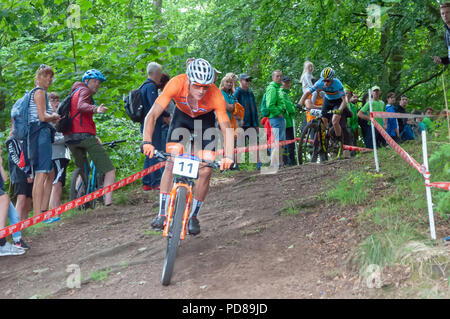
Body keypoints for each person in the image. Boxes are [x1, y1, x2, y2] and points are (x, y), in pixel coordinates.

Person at [142, 58, 234, 236]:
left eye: (205, 87)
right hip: (181, 119)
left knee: (206, 169)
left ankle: (194, 216)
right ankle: (162, 213)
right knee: (170, 162)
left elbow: (226, 127)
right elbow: (152, 115)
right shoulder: (176, 83)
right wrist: (147, 142)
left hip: (204, 123)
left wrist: (229, 156)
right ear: (188, 80)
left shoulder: (215, 94)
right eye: (197, 85)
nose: (201, 91)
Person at [63, 69, 116, 206]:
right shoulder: (84, 91)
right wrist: (96, 108)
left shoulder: (74, 93)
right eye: (94, 81)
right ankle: (108, 203)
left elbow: (79, 118)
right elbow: (81, 106)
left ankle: (78, 200)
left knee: (82, 170)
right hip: (84, 137)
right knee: (109, 169)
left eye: (99, 82)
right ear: (86, 81)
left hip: (70, 138)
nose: (97, 84)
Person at [27, 65, 61, 217]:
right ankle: (37, 216)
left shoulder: (39, 93)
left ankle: (39, 214)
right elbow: (41, 117)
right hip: (40, 133)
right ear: (38, 78)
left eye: (51, 76)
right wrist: (53, 116)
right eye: (46, 76)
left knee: (45, 173)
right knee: (41, 174)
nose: (49, 79)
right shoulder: (40, 92)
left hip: (39, 134)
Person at [299, 67, 348, 144]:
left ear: (332, 79)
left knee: (335, 121)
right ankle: (327, 135)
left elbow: (345, 100)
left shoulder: (337, 84)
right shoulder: (319, 83)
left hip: (338, 101)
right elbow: (307, 92)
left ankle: (339, 140)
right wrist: (300, 103)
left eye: (328, 81)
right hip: (328, 101)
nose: (325, 83)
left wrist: (340, 110)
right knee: (324, 120)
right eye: (324, 80)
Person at [140, 62, 165, 191]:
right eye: (160, 73)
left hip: (145, 125)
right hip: (152, 125)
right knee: (154, 152)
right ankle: (155, 182)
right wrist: (166, 115)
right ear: (155, 73)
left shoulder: (143, 86)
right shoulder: (151, 87)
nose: (161, 76)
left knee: (149, 153)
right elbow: (154, 106)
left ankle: (147, 183)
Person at [0, 144, 29, 250]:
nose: (0, 151)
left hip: (3, 195)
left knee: (14, 216)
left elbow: (5, 179)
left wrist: (0, 166)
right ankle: (2, 242)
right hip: (1, 197)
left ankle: (17, 240)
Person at [48, 92, 71, 213]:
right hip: (56, 155)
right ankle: (55, 213)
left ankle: (53, 212)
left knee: (58, 182)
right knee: (57, 182)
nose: (57, 103)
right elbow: (51, 139)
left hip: (62, 154)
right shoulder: (48, 118)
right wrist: (68, 137)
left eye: (58, 101)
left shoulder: (60, 116)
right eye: (53, 101)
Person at [233, 73, 261, 169]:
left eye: (249, 80)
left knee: (255, 143)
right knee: (240, 144)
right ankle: (236, 165)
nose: (248, 82)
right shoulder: (237, 93)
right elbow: (234, 108)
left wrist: (256, 124)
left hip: (251, 123)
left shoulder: (250, 93)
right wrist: (239, 120)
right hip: (241, 124)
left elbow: (254, 109)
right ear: (240, 81)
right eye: (246, 80)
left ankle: (259, 163)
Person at [6, 134, 33, 224]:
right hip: (18, 172)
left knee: (28, 200)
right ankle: (16, 225)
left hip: (30, 171)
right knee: (21, 197)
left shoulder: (28, 136)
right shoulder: (11, 141)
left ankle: (24, 224)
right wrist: (26, 173)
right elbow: (15, 158)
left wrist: (31, 172)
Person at [265, 70, 286, 170]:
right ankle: (273, 164)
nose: (279, 78)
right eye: (277, 76)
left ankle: (279, 163)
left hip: (279, 118)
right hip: (275, 118)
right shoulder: (272, 88)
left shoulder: (278, 88)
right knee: (276, 141)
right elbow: (270, 105)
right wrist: (279, 113)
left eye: (281, 76)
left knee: (280, 141)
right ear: (273, 77)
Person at [279, 76, 297, 166]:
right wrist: (293, 108)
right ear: (282, 83)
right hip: (285, 121)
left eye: (289, 82)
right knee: (287, 143)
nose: (288, 84)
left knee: (290, 142)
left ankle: (290, 161)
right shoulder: (282, 93)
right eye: (286, 82)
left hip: (289, 121)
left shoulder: (286, 93)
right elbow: (288, 107)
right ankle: (288, 162)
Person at [158, 73, 175, 154]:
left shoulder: (161, 94)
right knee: (167, 154)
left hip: (166, 127)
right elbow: (163, 114)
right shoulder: (163, 95)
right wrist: (172, 126)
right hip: (166, 128)